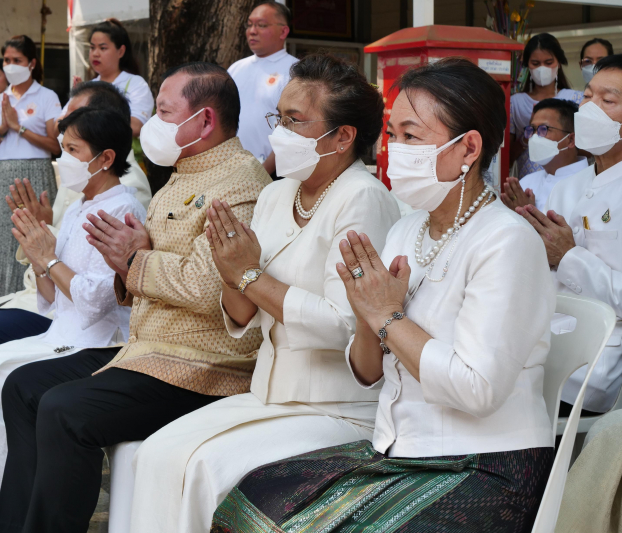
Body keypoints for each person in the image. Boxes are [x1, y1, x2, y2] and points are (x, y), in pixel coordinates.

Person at [212, 57, 556, 533]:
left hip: (482, 463)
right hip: (399, 448)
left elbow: (477, 390)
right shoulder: (407, 230)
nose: (395, 151)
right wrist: (369, 319)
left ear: (468, 148)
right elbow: (368, 372)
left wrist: (388, 317)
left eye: (412, 137)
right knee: (245, 505)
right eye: (393, 136)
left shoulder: (506, 240)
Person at [0, 62, 272, 533]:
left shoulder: (239, 185)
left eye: (164, 112)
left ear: (204, 121)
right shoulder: (180, 179)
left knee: (65, 411)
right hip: (145, 351)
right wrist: (129, 261)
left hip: (200, 364)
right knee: (23, 389)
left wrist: (133, 262)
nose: (153, 124)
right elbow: (143, 274)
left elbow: (209, 290)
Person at [130, 54, 401, 533]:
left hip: (335, 406)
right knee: (154, 455)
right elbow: (243, 315)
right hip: (268, 392)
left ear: (342, 137)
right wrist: (232, 274)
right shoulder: (278, 193)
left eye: (295, 121)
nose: (279, 132)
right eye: (278, 117)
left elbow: (347, 323)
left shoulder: (362, 197)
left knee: (206, 471)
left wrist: (251, 276)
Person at [0, 107, 147, 533]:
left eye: (73, 150)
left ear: (106, 157)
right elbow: (52, 296)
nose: (62, 159)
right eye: (62, 147)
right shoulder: (82, 205)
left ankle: (0, 512)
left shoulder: (123, 210)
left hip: (96, 342)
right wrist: (37, 252)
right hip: (62, 330)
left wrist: (49, 255)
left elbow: (99, 300)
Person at [0, 80, 151, 419]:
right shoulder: (83, 195)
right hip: (51, 306)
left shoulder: (124, 196)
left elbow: (104, 291)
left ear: (104, 137)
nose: (62, 126)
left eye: (73, 145)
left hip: (89, 334)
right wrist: (41, 236)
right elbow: (55, 279)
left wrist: (48, 255)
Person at [515, 54, 622, 417]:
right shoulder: (569, 185)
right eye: (588, 97)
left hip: (595, 367)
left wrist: (569, 256)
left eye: (608, 101)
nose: (591, 109)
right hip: (547, 341)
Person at [0, 35, 62, 299]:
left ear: (31, 63)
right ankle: (3, 296)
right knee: (6, 238)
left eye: (18, 60)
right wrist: (4, 130)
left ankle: (42, 295)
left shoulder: (47, 96)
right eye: (7, 60)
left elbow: (55, 144)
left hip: (37, 170)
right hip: (4, 171)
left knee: (37, 231)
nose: (11, 65)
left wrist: (20, 127)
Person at [228, 1, 297, 175]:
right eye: (250, 24)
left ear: (283, 31)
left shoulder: (295, 71)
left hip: (273, 172)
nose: (252, 31)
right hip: (232, 168)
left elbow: (292, 127)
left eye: (261, 25)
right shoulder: (236, 68)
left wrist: (264, 171)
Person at [510, 33, 583, 179]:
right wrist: (528, 135)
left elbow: (587, 147)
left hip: (568, 178)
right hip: (529, 180)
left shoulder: (577, 98)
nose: (542, 68)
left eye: (548, 62)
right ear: (527, 66)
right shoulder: (515, 103)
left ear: (559, 63)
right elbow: (508, 156)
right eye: (535, 64)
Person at [501, 99, 586, 212]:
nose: (535, 136)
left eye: (543, 129)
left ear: (571, 140)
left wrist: (528, 213)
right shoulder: (526, 183)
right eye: (532, 130)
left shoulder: (590, 184)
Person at [89, 18, 153, 137]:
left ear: (121, 51)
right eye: (92, 47)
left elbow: (135, 126)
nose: (95, 54)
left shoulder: (136, 84)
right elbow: (59, 125)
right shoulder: (87, 87)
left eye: (103, 48)